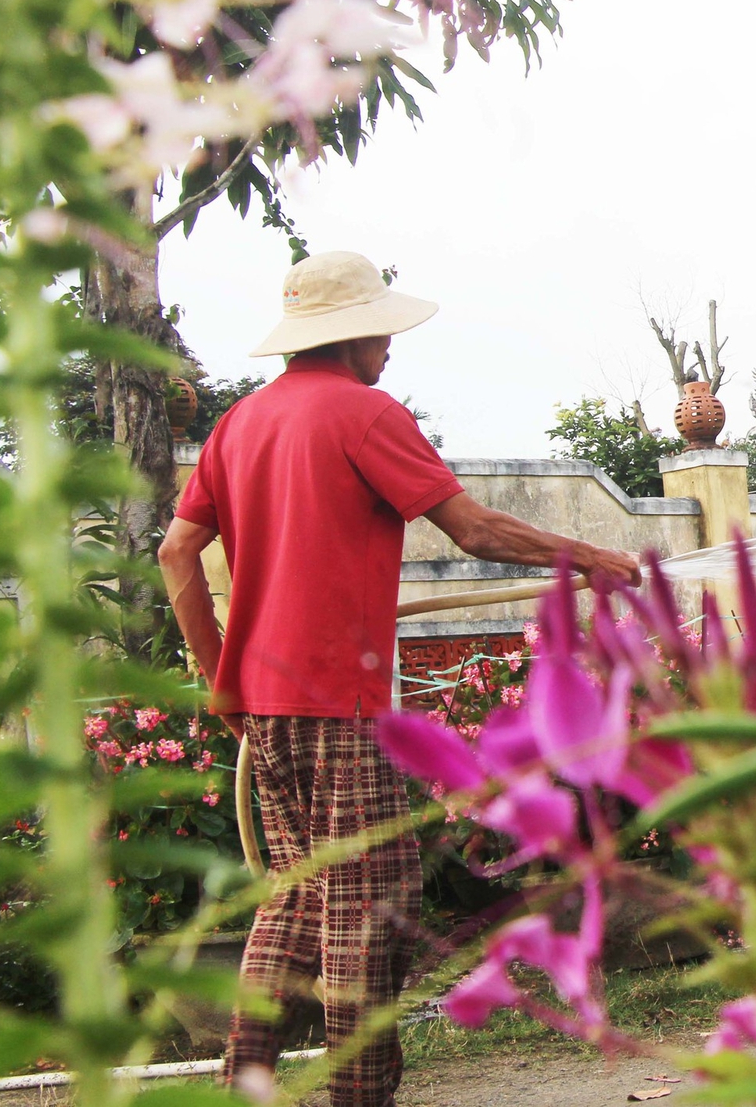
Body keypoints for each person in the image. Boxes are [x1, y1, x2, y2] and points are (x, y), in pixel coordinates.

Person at [157, 250, 639, 1107]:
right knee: (366, 903)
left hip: (265, 702)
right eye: (382, 329)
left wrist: (218, 675)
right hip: (336, 700)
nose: (391, 345)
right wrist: (592, 557)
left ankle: (242, 1085)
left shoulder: (239, 424)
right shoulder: (366, 413)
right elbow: (474, 531)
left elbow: (175, 552)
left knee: (298, 896)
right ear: (352, 334)